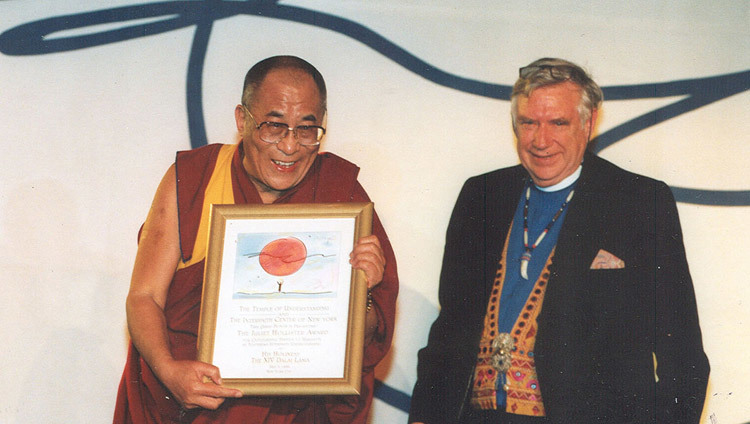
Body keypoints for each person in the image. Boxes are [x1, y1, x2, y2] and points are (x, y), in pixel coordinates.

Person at [409, 58, 709, 423]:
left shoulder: (639, 202)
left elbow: (683, 354)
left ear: (589, 122)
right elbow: (450, 329)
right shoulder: (482, 195)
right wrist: (424, 415)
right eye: (528, 123)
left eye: (558, 123)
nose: (540, 140)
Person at [113, 56, 398, 423]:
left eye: (306, 129)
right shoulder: (196, 178)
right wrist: (169, 371)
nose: (291, 146)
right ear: (242, 120)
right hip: (192, 406)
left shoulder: (342, 198)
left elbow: (361, 341)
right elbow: (144, 296)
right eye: (274, 127)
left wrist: (367, 290)